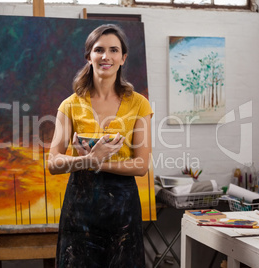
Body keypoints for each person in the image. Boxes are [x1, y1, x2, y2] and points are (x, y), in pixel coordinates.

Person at [48, 24, 152, 268]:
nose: (106, 56)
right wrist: (88, 161)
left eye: (114, 50)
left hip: (123, 213)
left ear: (123, 58)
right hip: (80, 212)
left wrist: (99, 162)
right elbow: (53, 163)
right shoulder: (70, 105)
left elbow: (141, 165)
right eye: (99, 50)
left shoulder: (139, 104)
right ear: (89, 56)